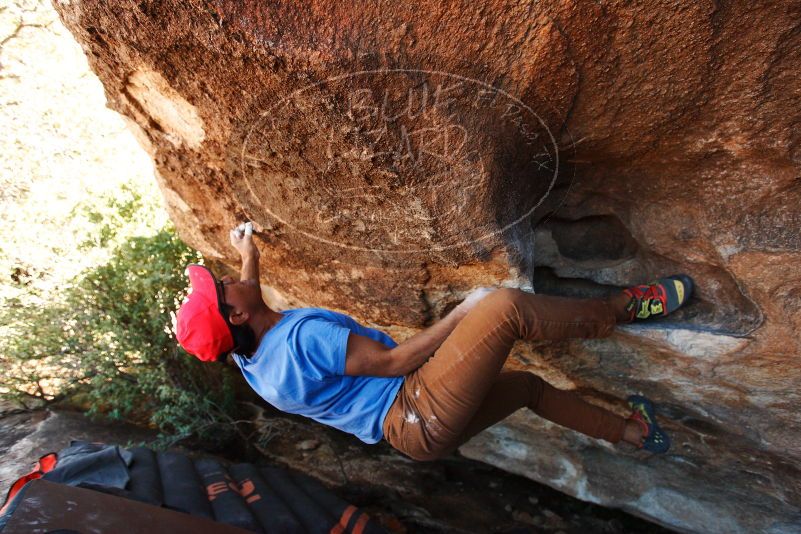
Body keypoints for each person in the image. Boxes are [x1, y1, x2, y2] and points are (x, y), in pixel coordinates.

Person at [176, 222, 693, 460]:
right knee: (503, 309)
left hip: (414, 438)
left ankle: (633, 434)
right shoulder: (302, 339)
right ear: (238, 311)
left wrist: (249, 254)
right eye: (222, 287)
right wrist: (465, 311)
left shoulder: (252, 359)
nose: (225, 278)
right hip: (415, 404)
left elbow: (242, 311)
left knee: (529, 389)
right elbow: (396, 361)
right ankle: (623, 309)